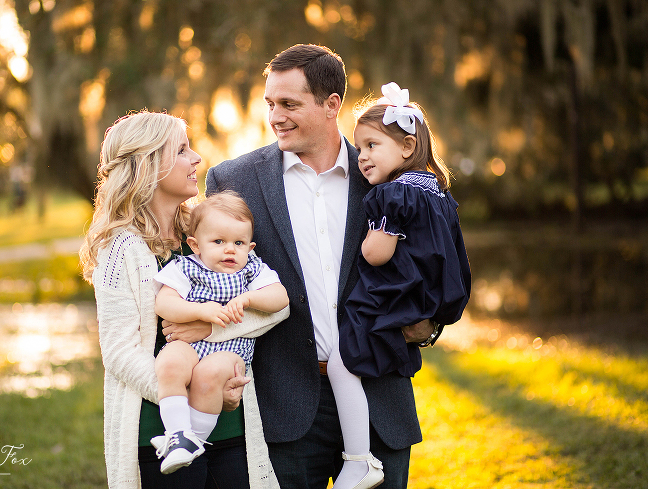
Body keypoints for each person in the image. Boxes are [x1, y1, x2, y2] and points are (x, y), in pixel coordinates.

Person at [205, 44, 437, 489]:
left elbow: (438, 259)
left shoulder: (389, 176)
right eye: (270, 103)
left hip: (378, 397)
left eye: (289, 104)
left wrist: (430, 325)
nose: (275, 116)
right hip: (285, 404)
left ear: (332, 104)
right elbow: (214, 277)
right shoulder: (234, 181)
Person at [79, 111, 286, 489]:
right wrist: (193, 392)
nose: (197, 160)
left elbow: (272, 308)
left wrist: (209, 326)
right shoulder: (120, 248)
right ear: (148, 165)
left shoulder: (208, 231)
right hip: (157, 432)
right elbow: (120, 352)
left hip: (230, 425)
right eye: (182, 150)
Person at [340, 82, 471, 380]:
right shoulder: (438, 191)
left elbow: (376, 255)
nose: (361, 156)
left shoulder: (393, 195)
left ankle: (355, 428)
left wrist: (365, 243)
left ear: (407, 146)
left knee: (346, 358)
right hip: (433, 296)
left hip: (400, 297)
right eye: (359, 148)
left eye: (372, 145)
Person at [151, 191, 289, 474]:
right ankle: (179, 434)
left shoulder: (252, 269)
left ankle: (195, 440)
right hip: (191, 345)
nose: (230, 250)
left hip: (231, 352)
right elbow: (164, 303)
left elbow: (280, 298)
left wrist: (249, 299)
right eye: (219, 242)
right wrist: (201, 311)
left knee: (209, 374)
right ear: (195, 245)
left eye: (239, 243)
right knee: (169, 362)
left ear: (250, 247)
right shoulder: (186, 268)